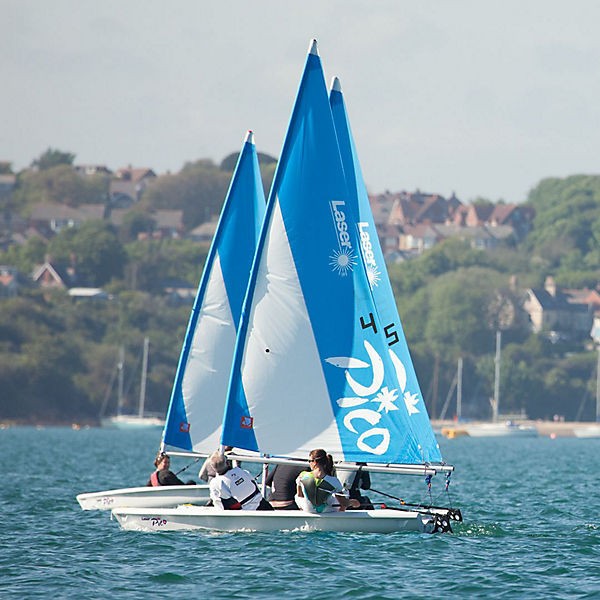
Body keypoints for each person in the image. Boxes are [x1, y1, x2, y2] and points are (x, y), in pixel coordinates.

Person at [295, 448, 360, 513]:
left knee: (298, 496)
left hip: (308, 510)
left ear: (314, 462)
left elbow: (300, 495)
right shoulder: (333, 481)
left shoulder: (302, 475)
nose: (309, 463)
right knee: (344, 493)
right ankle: (341, 514)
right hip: (325, 511)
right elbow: (344, 503)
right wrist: (354, 502)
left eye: (309, 461)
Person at [208, 451, 273, 511]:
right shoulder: (240, 471)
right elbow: (253, 483)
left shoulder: (216, 483)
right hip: (262, 504)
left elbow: (220, 503)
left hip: (245, 511)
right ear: (227, 463)